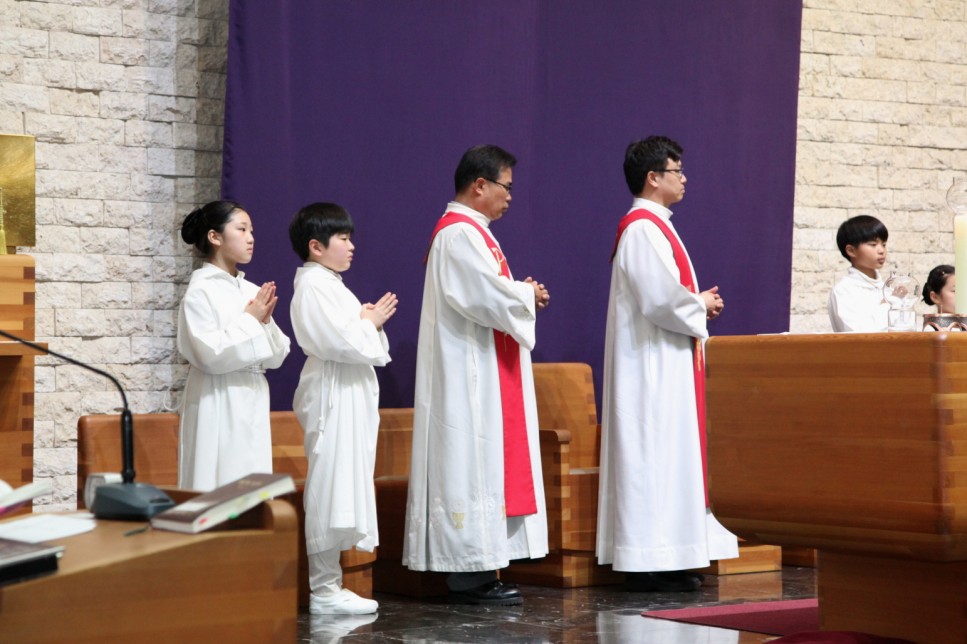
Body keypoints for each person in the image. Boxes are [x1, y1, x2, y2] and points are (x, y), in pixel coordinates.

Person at [403, 144, 551, 606]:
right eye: (506, 186)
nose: (511, 196)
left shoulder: (473, 232)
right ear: (480, 184)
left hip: (482, 364)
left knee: (483, 463)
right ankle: (468, 575)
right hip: (465, 371)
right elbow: (481, 294)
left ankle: (481, 569)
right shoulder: (458, 234)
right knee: (468, 461)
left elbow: (489, 291)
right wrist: (524, 294)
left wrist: (518, 293)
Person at [596, 136, 738, 593]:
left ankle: (671, 556)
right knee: (651, 456)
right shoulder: (641, 228)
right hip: (649, 367)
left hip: (668, 360)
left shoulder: (657, 226)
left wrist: (696, 303)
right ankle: (645, 561)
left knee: (670, 457)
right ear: (653, 178)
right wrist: (699, 303)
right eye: (677, 170)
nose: (684, 178)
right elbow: (658, 298)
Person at [288, 202, 398, 615]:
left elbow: (356, 340)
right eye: (343, 238)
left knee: (343, 483)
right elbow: (338, 342)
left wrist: (368, 322)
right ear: (316, 246)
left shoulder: (331, 284)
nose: (352, 247)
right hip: (331, 394)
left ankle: (331, 584)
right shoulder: (313, 286)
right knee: (329, 484)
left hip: (347, 391)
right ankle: (323, 589)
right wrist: (369, 322)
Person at [176, 200, 291, 491]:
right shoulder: (200, 291)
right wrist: (251, 320)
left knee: (252, 482)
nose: (250, 238)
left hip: (252, 394)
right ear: (215, 237)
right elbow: (208, 353)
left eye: (251, 230)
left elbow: (277, 357)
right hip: (217, 396)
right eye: (241, 229)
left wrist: (264, 322)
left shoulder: (251, 290)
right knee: (218, 481)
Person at [827, 215, 890, 332]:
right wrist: (887, 305)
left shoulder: (888, 290)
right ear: (851, 250)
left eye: (884, 244)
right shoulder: (843, 291)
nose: (882, 251)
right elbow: (857, 335)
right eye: (873, 244)